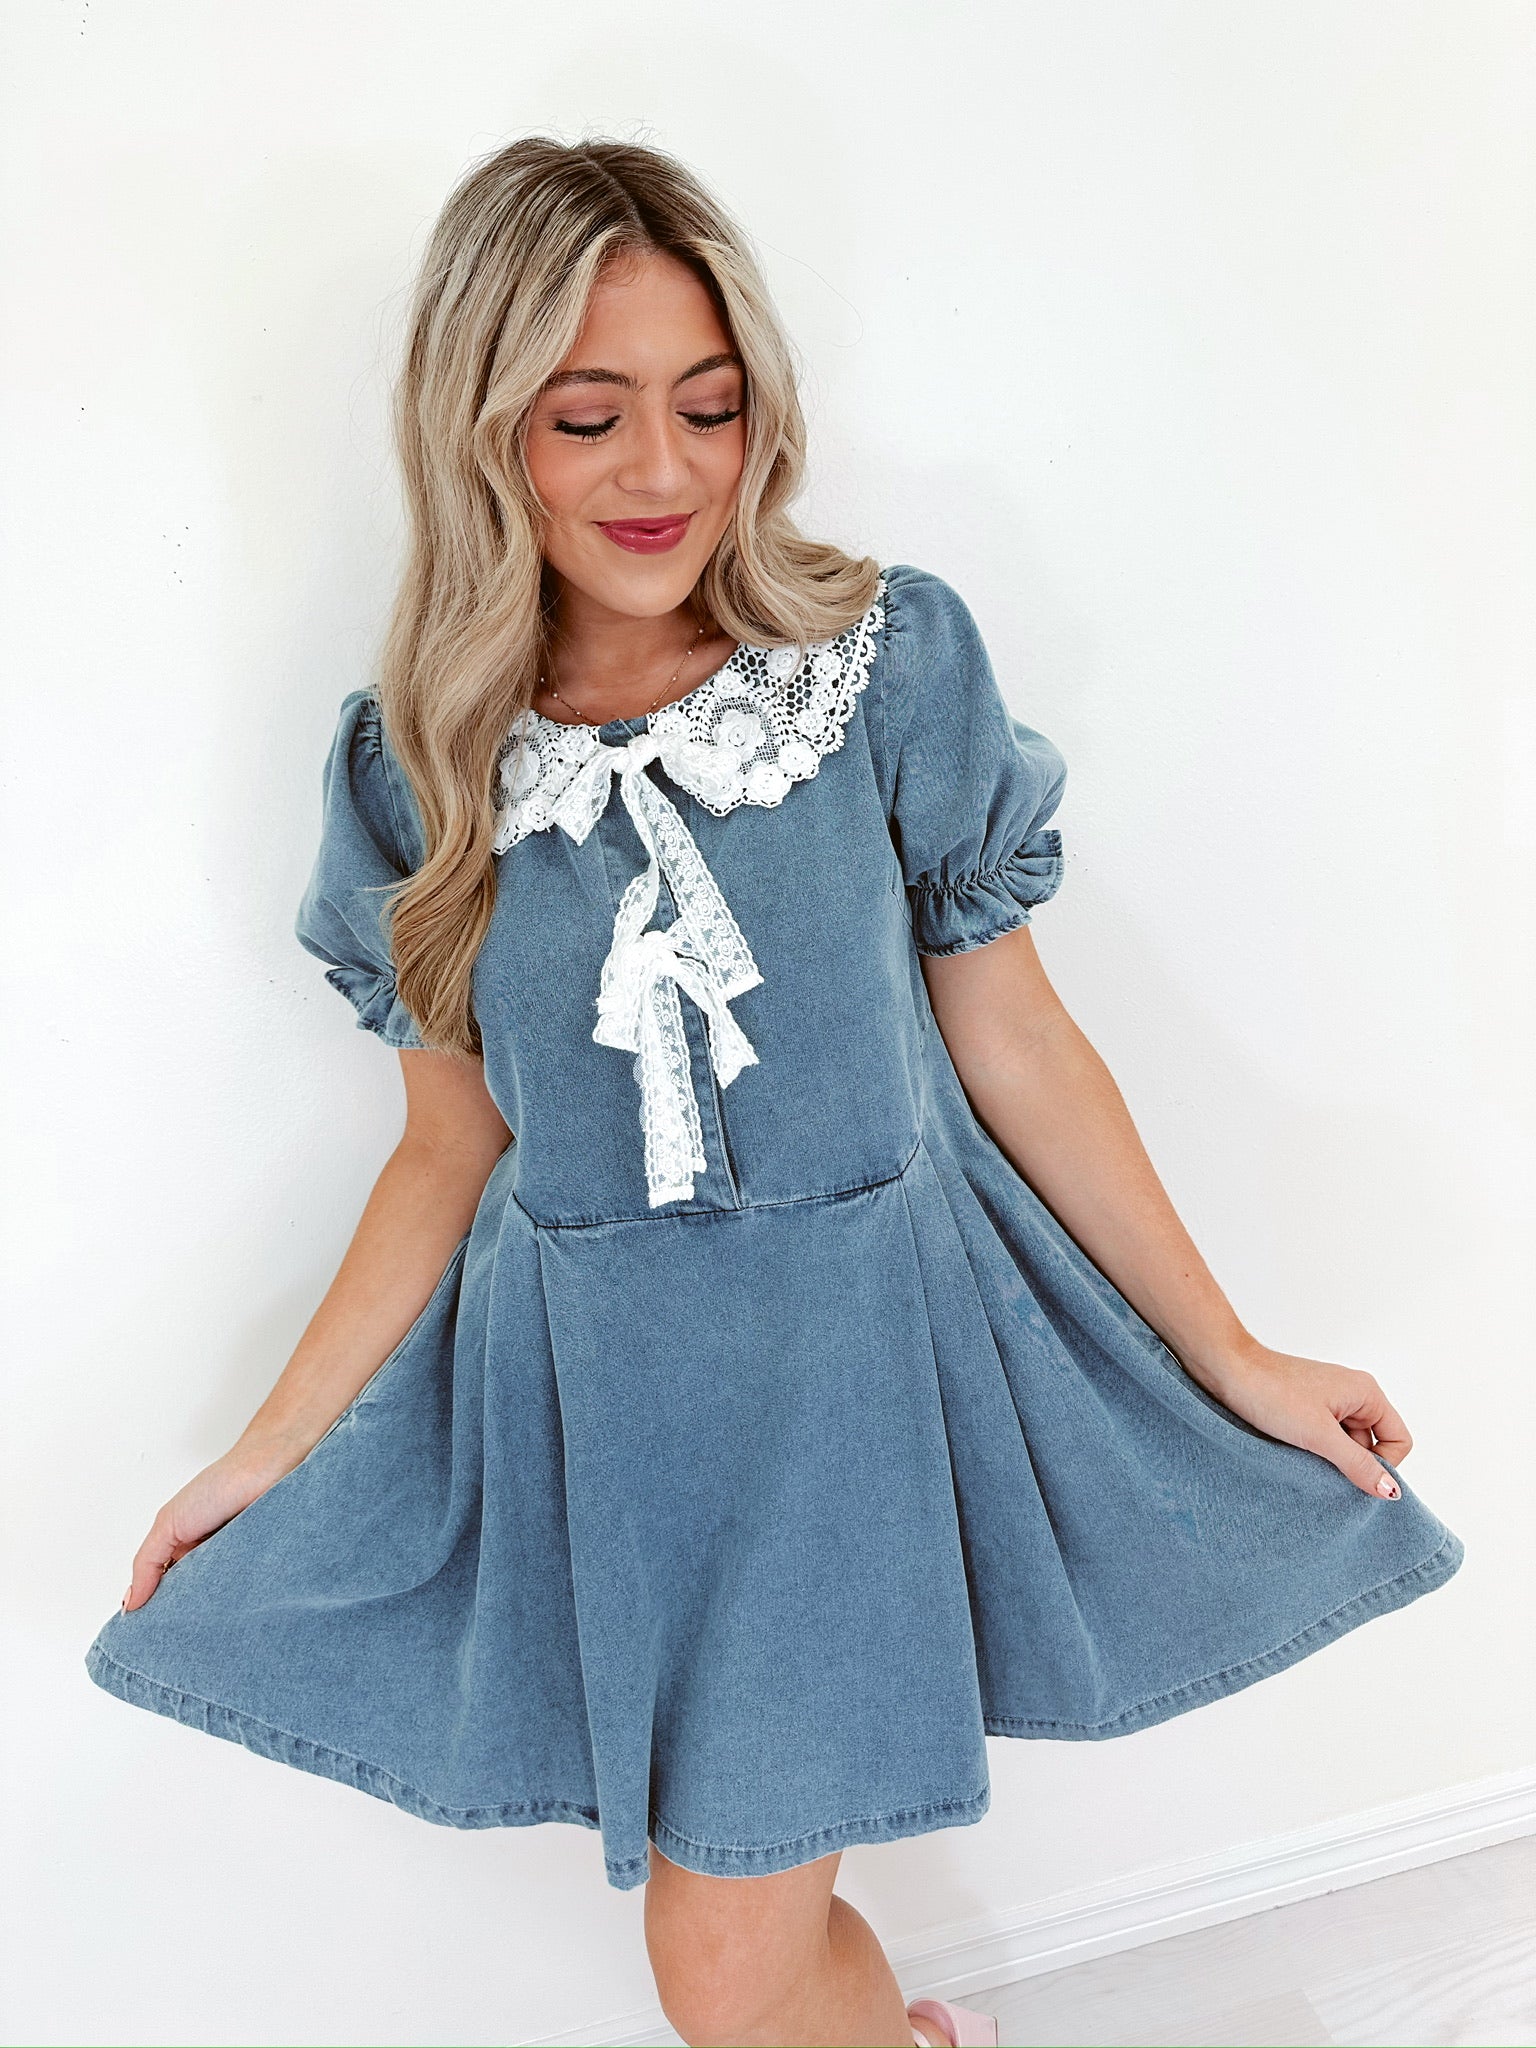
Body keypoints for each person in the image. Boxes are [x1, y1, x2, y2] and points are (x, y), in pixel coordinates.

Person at [85, 136, 1462, 2048]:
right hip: (603, 1425)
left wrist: (1229, 1353)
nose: (661, 470)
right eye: (589, 418)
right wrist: (270, 1451)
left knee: (723, 1967)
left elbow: (1017, 1038)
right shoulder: (419, 769)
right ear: (484, 431)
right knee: (748, 1950)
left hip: (854, 1395)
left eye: (709, 406)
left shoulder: (880, 668)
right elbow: (446, 1153)